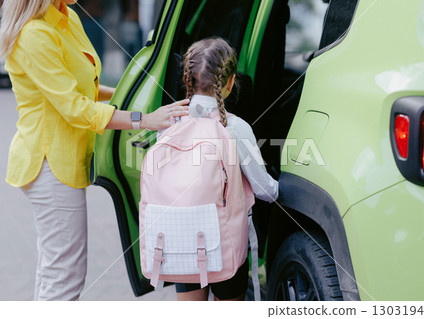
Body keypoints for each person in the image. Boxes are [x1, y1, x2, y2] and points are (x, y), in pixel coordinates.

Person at [0, 0, 188, 301]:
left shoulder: (66, 17)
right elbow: (75, 108)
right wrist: (144, 119)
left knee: (54, 271)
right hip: (49, 164)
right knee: (64, 277)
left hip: (62, 160)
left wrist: (137, 96)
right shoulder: (34, 34)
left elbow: (84, 86)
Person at [173, 37, 278, 301]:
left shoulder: (171, 121)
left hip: (183, 237)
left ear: (189, 79)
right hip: (226, 241)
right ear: (229, 82)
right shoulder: (236, 128)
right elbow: (265, 190)